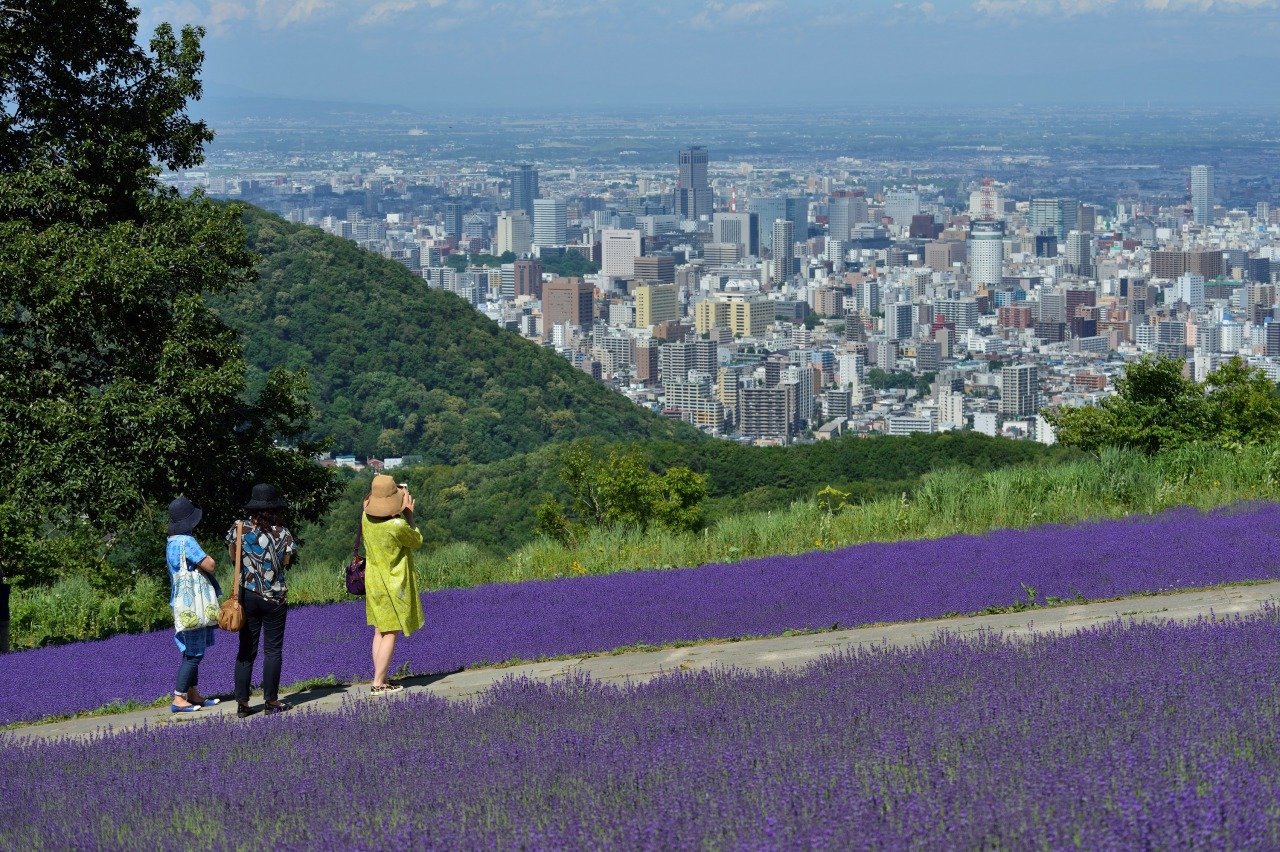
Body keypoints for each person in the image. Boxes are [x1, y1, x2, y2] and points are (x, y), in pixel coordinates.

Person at [226, 483, 297, 718]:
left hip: (247, 595)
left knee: (246, 649)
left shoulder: (239, 528)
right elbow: (287, 561)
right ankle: (271, 701)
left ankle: (243, 704)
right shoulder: (283, 532)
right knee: (273, 650)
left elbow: (232, 556)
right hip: (275, 597)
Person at [362, 474, 425, 694]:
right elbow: (416, 540)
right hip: (393, 583)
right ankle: (378, 684)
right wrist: (409, 515)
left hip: (373, 581)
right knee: (391, 631)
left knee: (380, 629)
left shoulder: (365, 518)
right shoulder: (397, 525)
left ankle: (381, 677)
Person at [166, 496, 221, 713]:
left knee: (191, 649)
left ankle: (193, 693)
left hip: (182, 601)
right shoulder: (186, 542)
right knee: (194, 654)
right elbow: (210, 564)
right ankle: (179, 698)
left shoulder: (171, 543)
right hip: (194, 603)